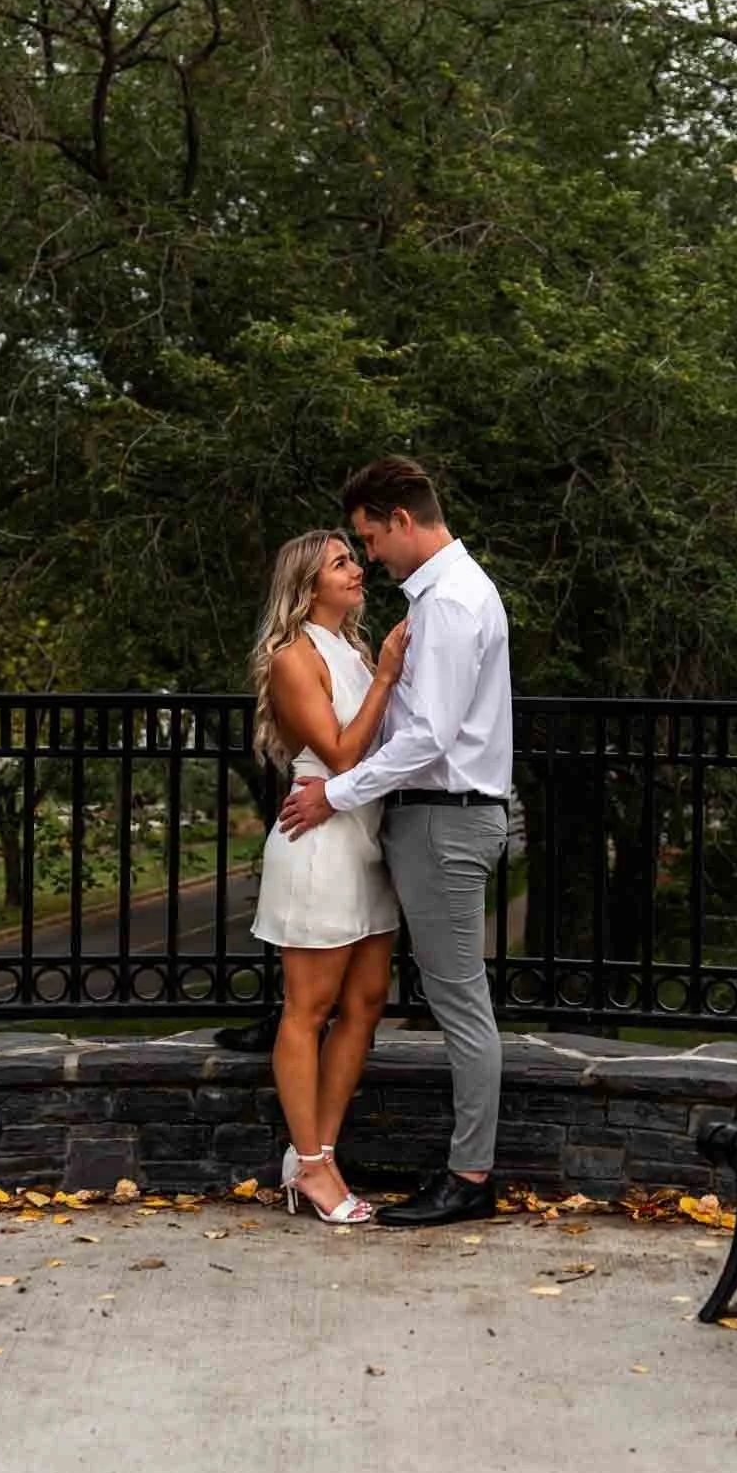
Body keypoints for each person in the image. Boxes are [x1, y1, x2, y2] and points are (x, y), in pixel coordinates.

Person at [279, 457, 512, 1229]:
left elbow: (431, 738)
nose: (369, 555)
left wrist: (337, 795)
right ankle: (322, 1159)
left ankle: (470, 1176)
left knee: (458, 1002)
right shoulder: (444, 596)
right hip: (427, 821)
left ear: (402, 521)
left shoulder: (447, 604)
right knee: (432, 998)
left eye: (369, 538)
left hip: (444, 822)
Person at [249, 529, 409, 1224]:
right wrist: (386, 679)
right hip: (318, 841)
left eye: (353, 558)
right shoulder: (294, 657)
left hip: (366, 838)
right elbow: (343, 755)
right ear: (308, 583)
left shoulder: (353, 649)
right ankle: (311, 1167)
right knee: (308, 1009)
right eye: (341, 562)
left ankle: (320, 1151)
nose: (356, 570)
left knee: (367, 1003)